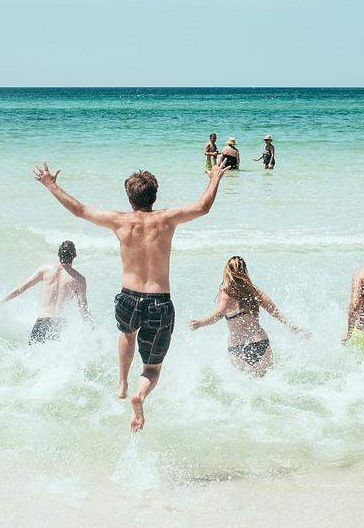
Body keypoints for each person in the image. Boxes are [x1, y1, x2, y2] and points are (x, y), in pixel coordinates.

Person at [33, 161, 228, 431]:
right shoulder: (167, 219)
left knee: (127, 334)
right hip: (159, 300)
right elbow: (203, 207)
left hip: (128, 297)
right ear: (155, 195)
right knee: (152, 369)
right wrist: (216, 177)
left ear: (129, 197)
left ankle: (122, 382)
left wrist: (51, 184)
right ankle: (140, 394)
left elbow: (78, 210)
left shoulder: (120, 221)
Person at [189, 256, 308, 376]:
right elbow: (275, 312)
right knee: (267, 383)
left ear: (227, 272)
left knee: (242, 389)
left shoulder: (226, 293)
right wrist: (295, 328)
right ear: (245, 271)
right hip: (260, 342)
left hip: (238, 348)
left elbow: (219, 314)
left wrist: (200, 323)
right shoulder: (254, 291)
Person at [2, 240, 92, 343]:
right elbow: (83, 308)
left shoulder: (45, 270)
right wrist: (91, 329)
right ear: (74, 256)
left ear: (58, 254)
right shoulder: (79, 279)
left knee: (32, 355)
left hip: (42, 322)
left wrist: (0, 302)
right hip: (59, 324)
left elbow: (21, 288)